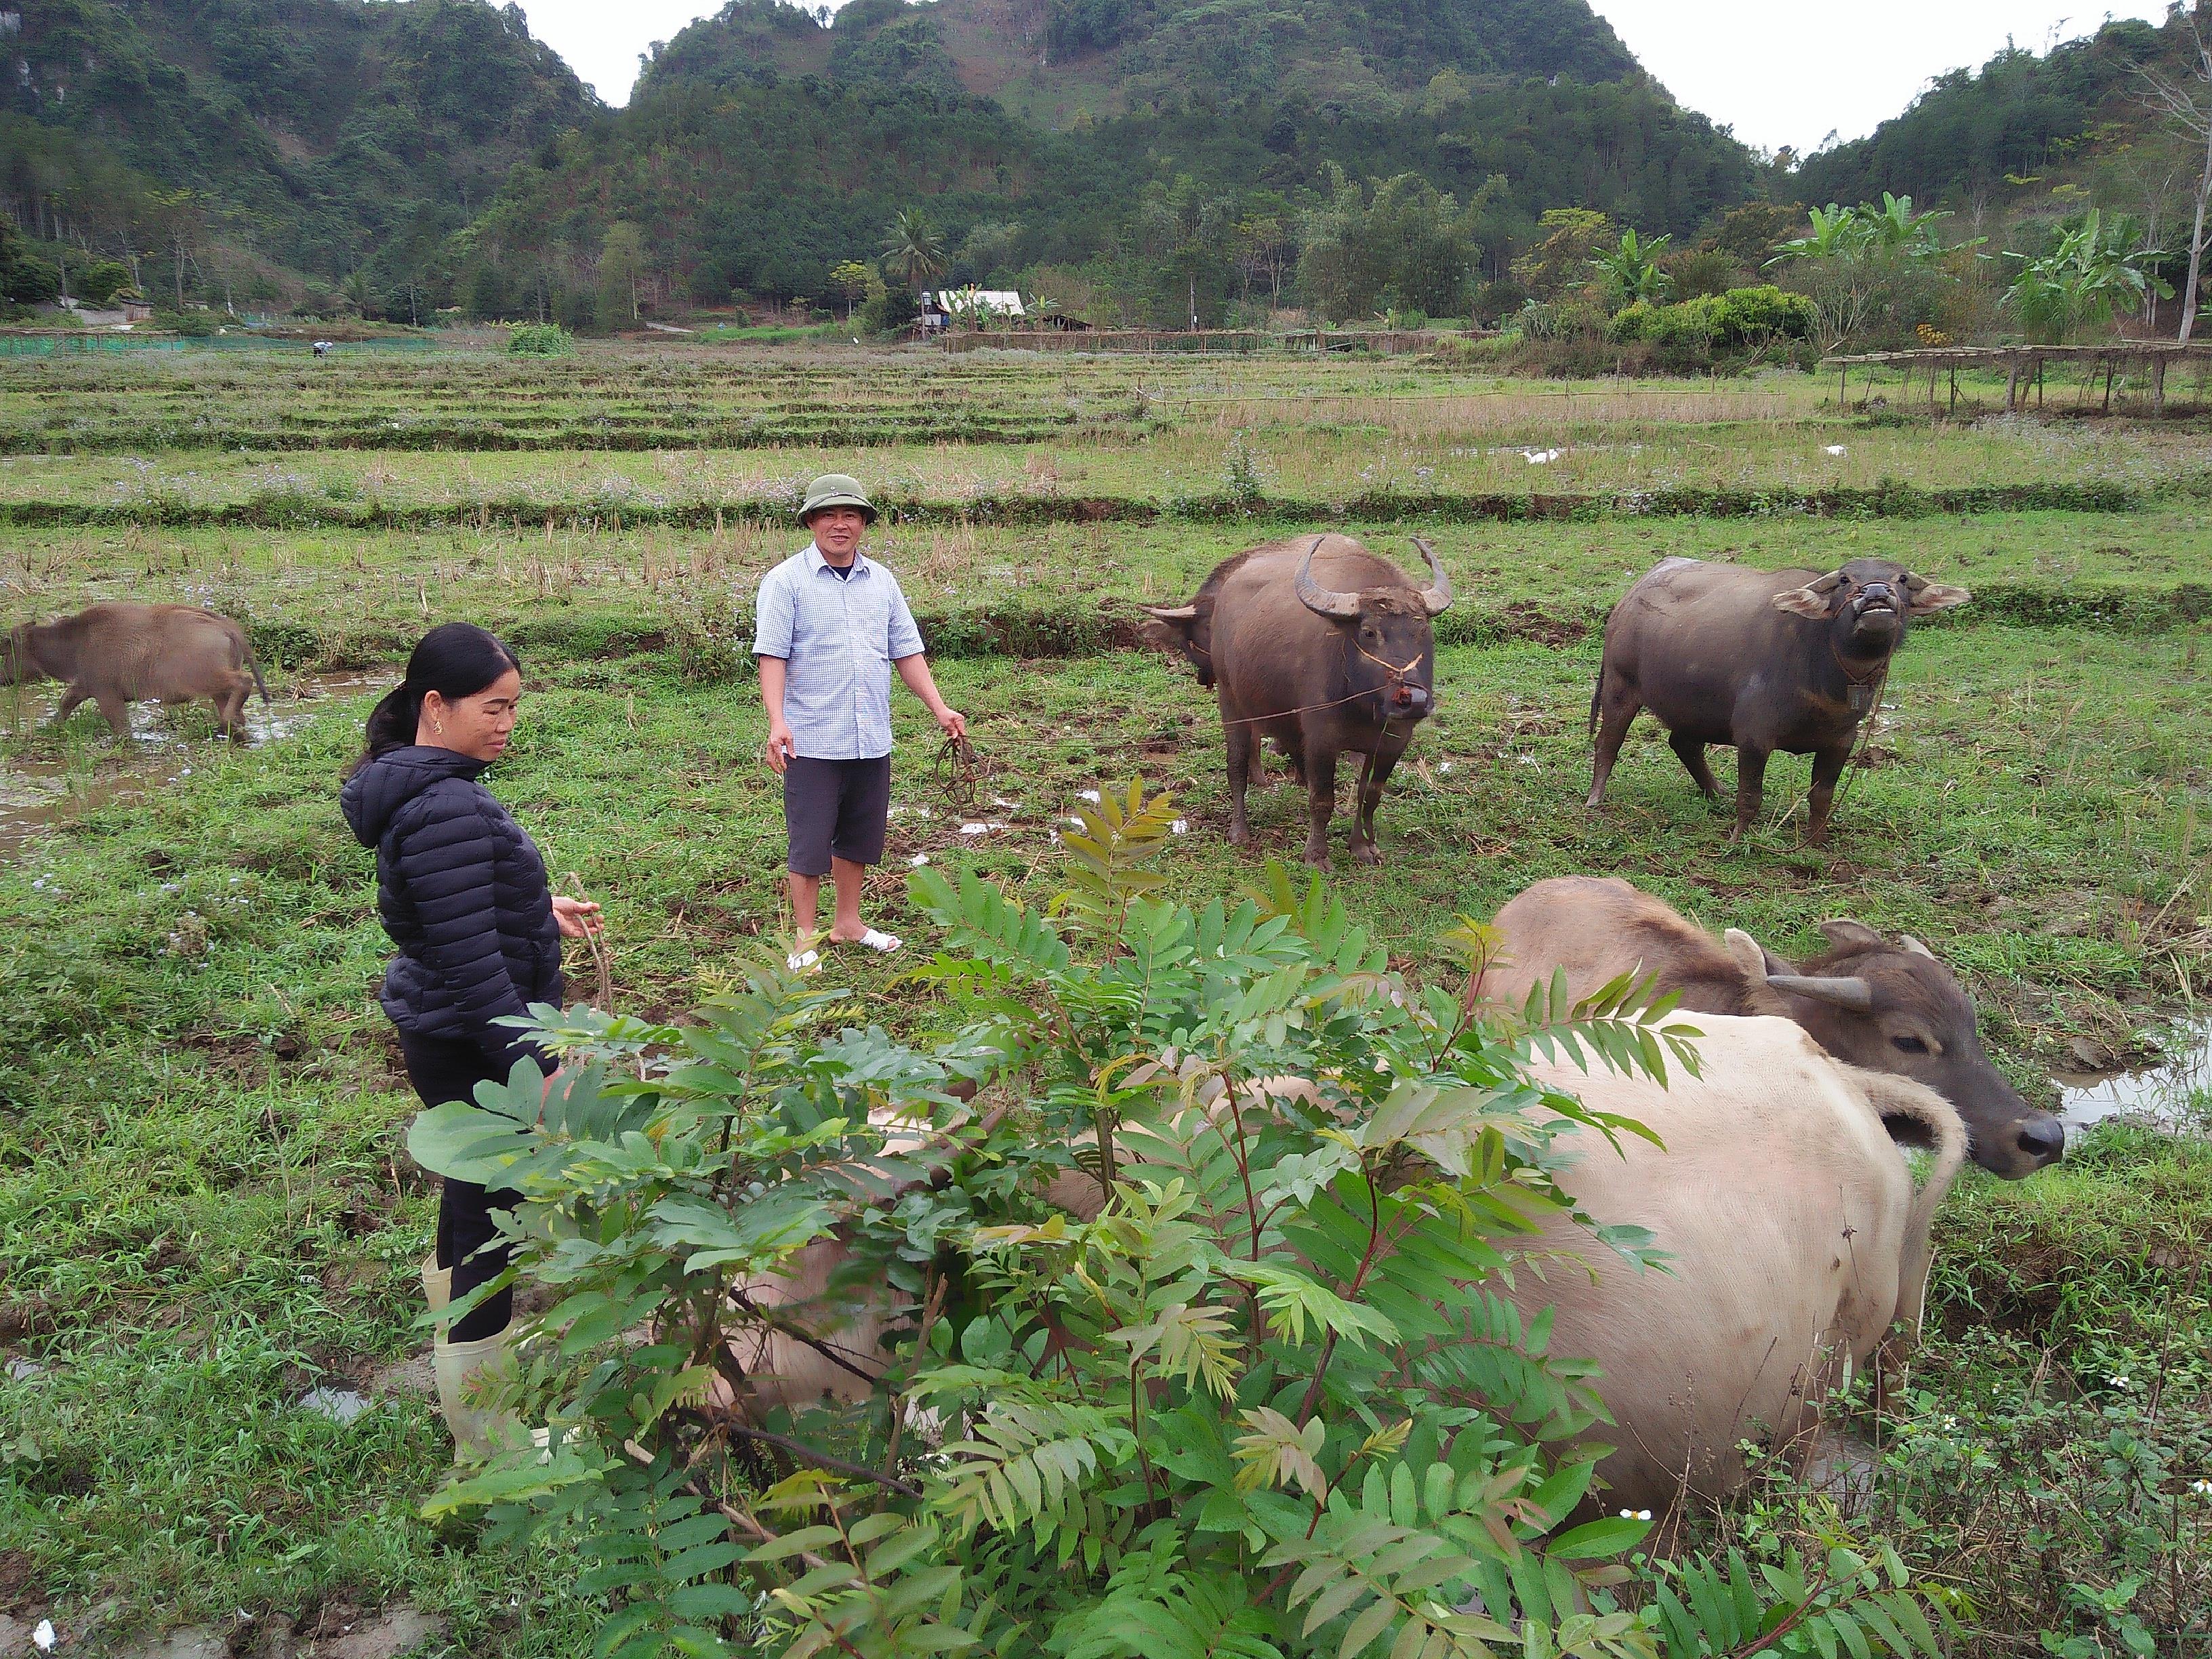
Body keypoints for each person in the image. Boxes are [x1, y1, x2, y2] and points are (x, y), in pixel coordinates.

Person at [338, 622, 599, 1458]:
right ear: (435, 706)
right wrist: (542, 1066)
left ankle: (471, 1403)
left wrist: (534, 909)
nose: (507, 724)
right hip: (473, 1040)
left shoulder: (424, 786)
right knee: (490, 1217)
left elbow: (453, 914)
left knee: (468, 1197)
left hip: (445, 1030)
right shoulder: (448, 802)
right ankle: (487, 1439)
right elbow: (474, 969)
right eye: (494, 707)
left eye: (514, 709)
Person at [754, 474, 965, 968]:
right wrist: (776, 721)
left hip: (870, 734)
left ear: (864, 524)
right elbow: (772, 656)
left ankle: (848, 922)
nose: (840, 524)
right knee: (808, 841)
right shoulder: (786, 581)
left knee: (859, 835)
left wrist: (939, 707)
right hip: (810, 737)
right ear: (810, 522)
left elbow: (906, 650)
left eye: (851, 515)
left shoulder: (882, 582)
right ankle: (805, 938)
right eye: (828, 515)